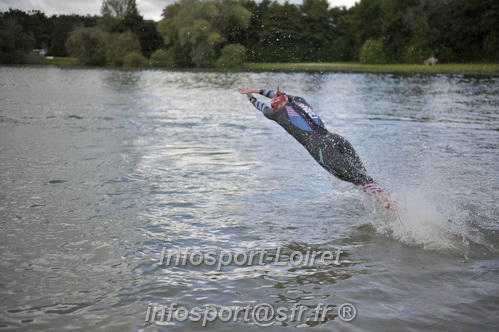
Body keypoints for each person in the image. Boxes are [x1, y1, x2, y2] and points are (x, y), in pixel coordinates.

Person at [238, 86, 393, 209]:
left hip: (321, 150)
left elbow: (261, 107)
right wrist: (256, 89)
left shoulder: (277, 114)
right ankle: (385, 196)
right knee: (362, 175)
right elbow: (278, 94)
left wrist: (250, 96)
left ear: (277, 105)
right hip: (335, 138)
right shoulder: (300, 100)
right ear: (286, 98)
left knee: (358, 179)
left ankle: (388, 204)